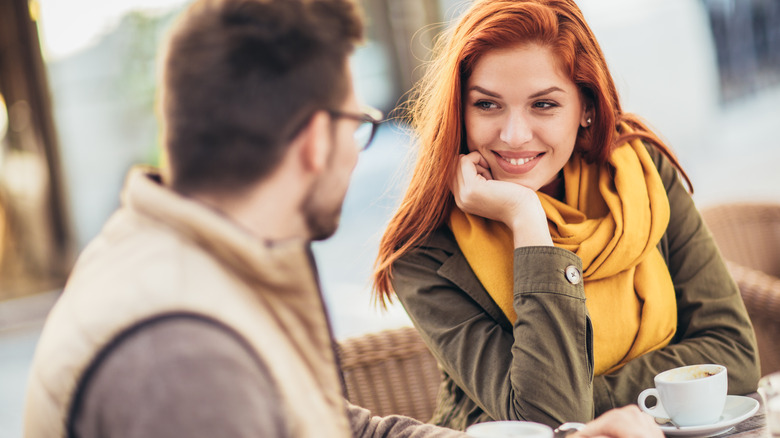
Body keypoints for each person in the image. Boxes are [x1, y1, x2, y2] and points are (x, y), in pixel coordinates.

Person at [22, 0, 664, 437]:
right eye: (359, 126)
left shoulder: (184, 255)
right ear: (311, 141)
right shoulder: (182, 356)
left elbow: (329, 423)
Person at [373, 0, 760, 431]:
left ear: (587, 107)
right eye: (486, 105)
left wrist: (584, 397)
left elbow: (734, 354)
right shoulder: (427, 251)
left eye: (543, 105)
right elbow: (546, 421)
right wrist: (526, 221)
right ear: (458, 112)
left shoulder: (641, 175)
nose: (514, 135)